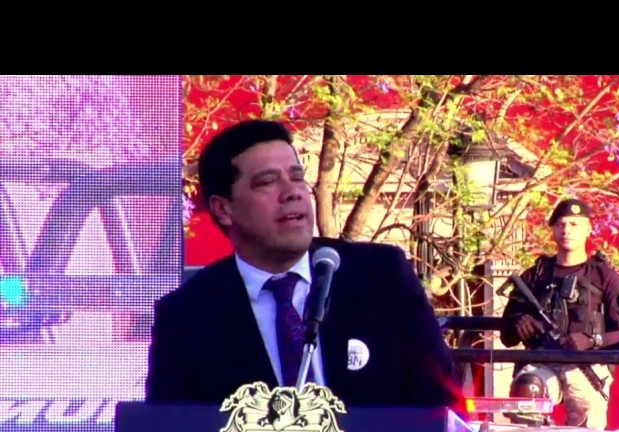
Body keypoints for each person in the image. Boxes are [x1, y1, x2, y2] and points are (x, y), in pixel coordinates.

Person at [144, 119, 459, 411]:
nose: (292, 192)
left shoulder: (382, 277)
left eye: (297, 177)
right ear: (224, 209)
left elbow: (443, 408)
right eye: (267, 182)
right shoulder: (186, 316)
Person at [499, 198, 619, 430]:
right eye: (561, 224)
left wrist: (592, 341)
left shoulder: (604, 276)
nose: (566, 231)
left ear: (587, 230)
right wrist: (519, 323)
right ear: (553, 230)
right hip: (542, 362)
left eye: (574, 224)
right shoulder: (535, 275)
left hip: (587, 366)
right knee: (528, 388)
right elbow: (506, 336)